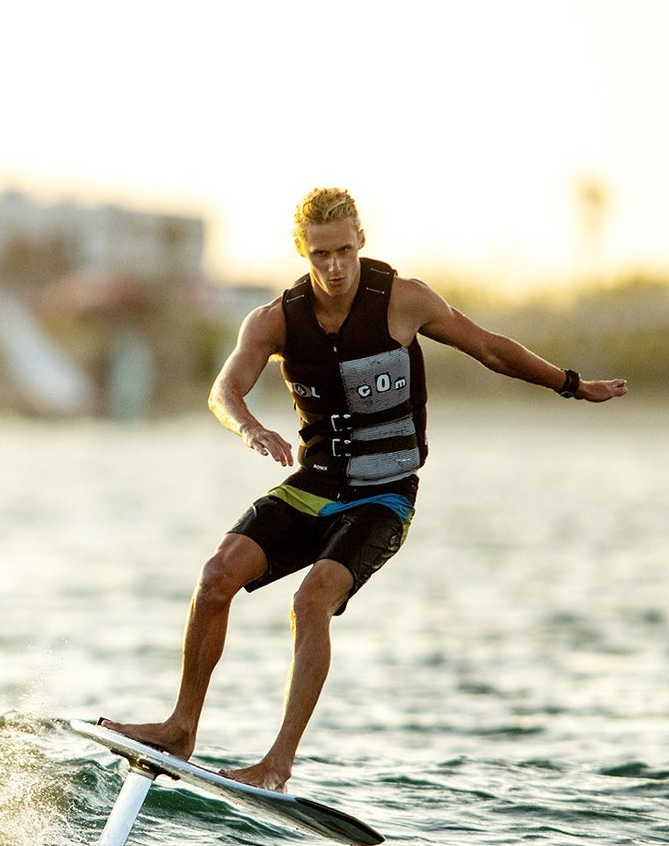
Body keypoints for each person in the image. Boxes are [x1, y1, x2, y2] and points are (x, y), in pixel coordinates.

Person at [102, 187, 628, 791]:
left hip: (384, 494)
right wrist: (250, 428)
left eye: (344, 251)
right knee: (217, 575)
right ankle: (180, 727)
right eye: (321, 254)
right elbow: (224, 391)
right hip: (316, 483)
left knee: (311, 601)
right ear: (303, 252)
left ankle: (276, 765)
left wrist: (572, 384)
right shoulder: (275, 320)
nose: (335, 267)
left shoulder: (404, 300)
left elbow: (490, 349)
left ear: (361, 242)